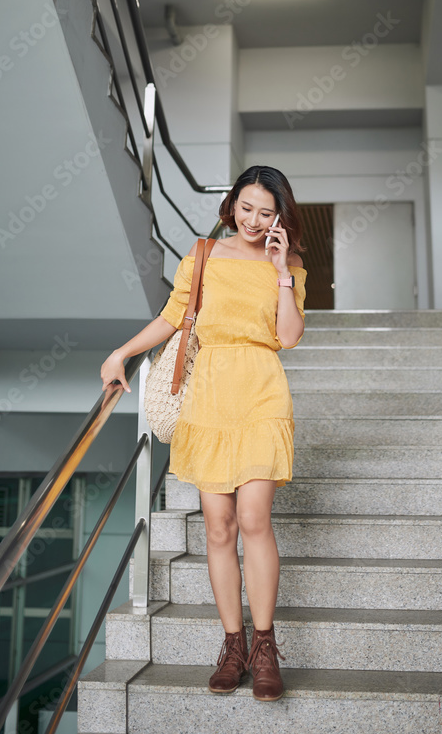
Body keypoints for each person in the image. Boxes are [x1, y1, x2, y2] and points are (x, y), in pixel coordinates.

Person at [100, 165, 307, 702]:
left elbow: (287, 336)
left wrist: (282, 271)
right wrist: (122, 352)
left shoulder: (289, 264)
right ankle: (232, 645)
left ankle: (265, 648)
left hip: (261, 391)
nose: (255, 220)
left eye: (266, 212)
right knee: (218, 528)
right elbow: (172, 318)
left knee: (254, 519)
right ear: (232, 204)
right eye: (247, 208)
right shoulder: (204, 255)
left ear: (280, 215)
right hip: (209, 394)